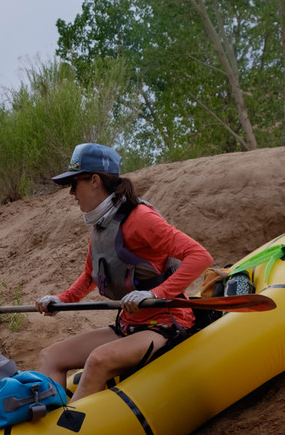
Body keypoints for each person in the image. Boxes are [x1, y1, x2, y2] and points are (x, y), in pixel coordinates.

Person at [35, 143, 213, 403]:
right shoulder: (102, 224)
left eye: (74, 183)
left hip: (164, 325)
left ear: (94, 180)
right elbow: (90, 276)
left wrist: (154, 293)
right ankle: (48, 424)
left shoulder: (140, 218)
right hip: (129, 326)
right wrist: (61, 299)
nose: (71, 192)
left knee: (97, 360)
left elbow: (199, 256)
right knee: (50, 357)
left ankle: (68, 433)